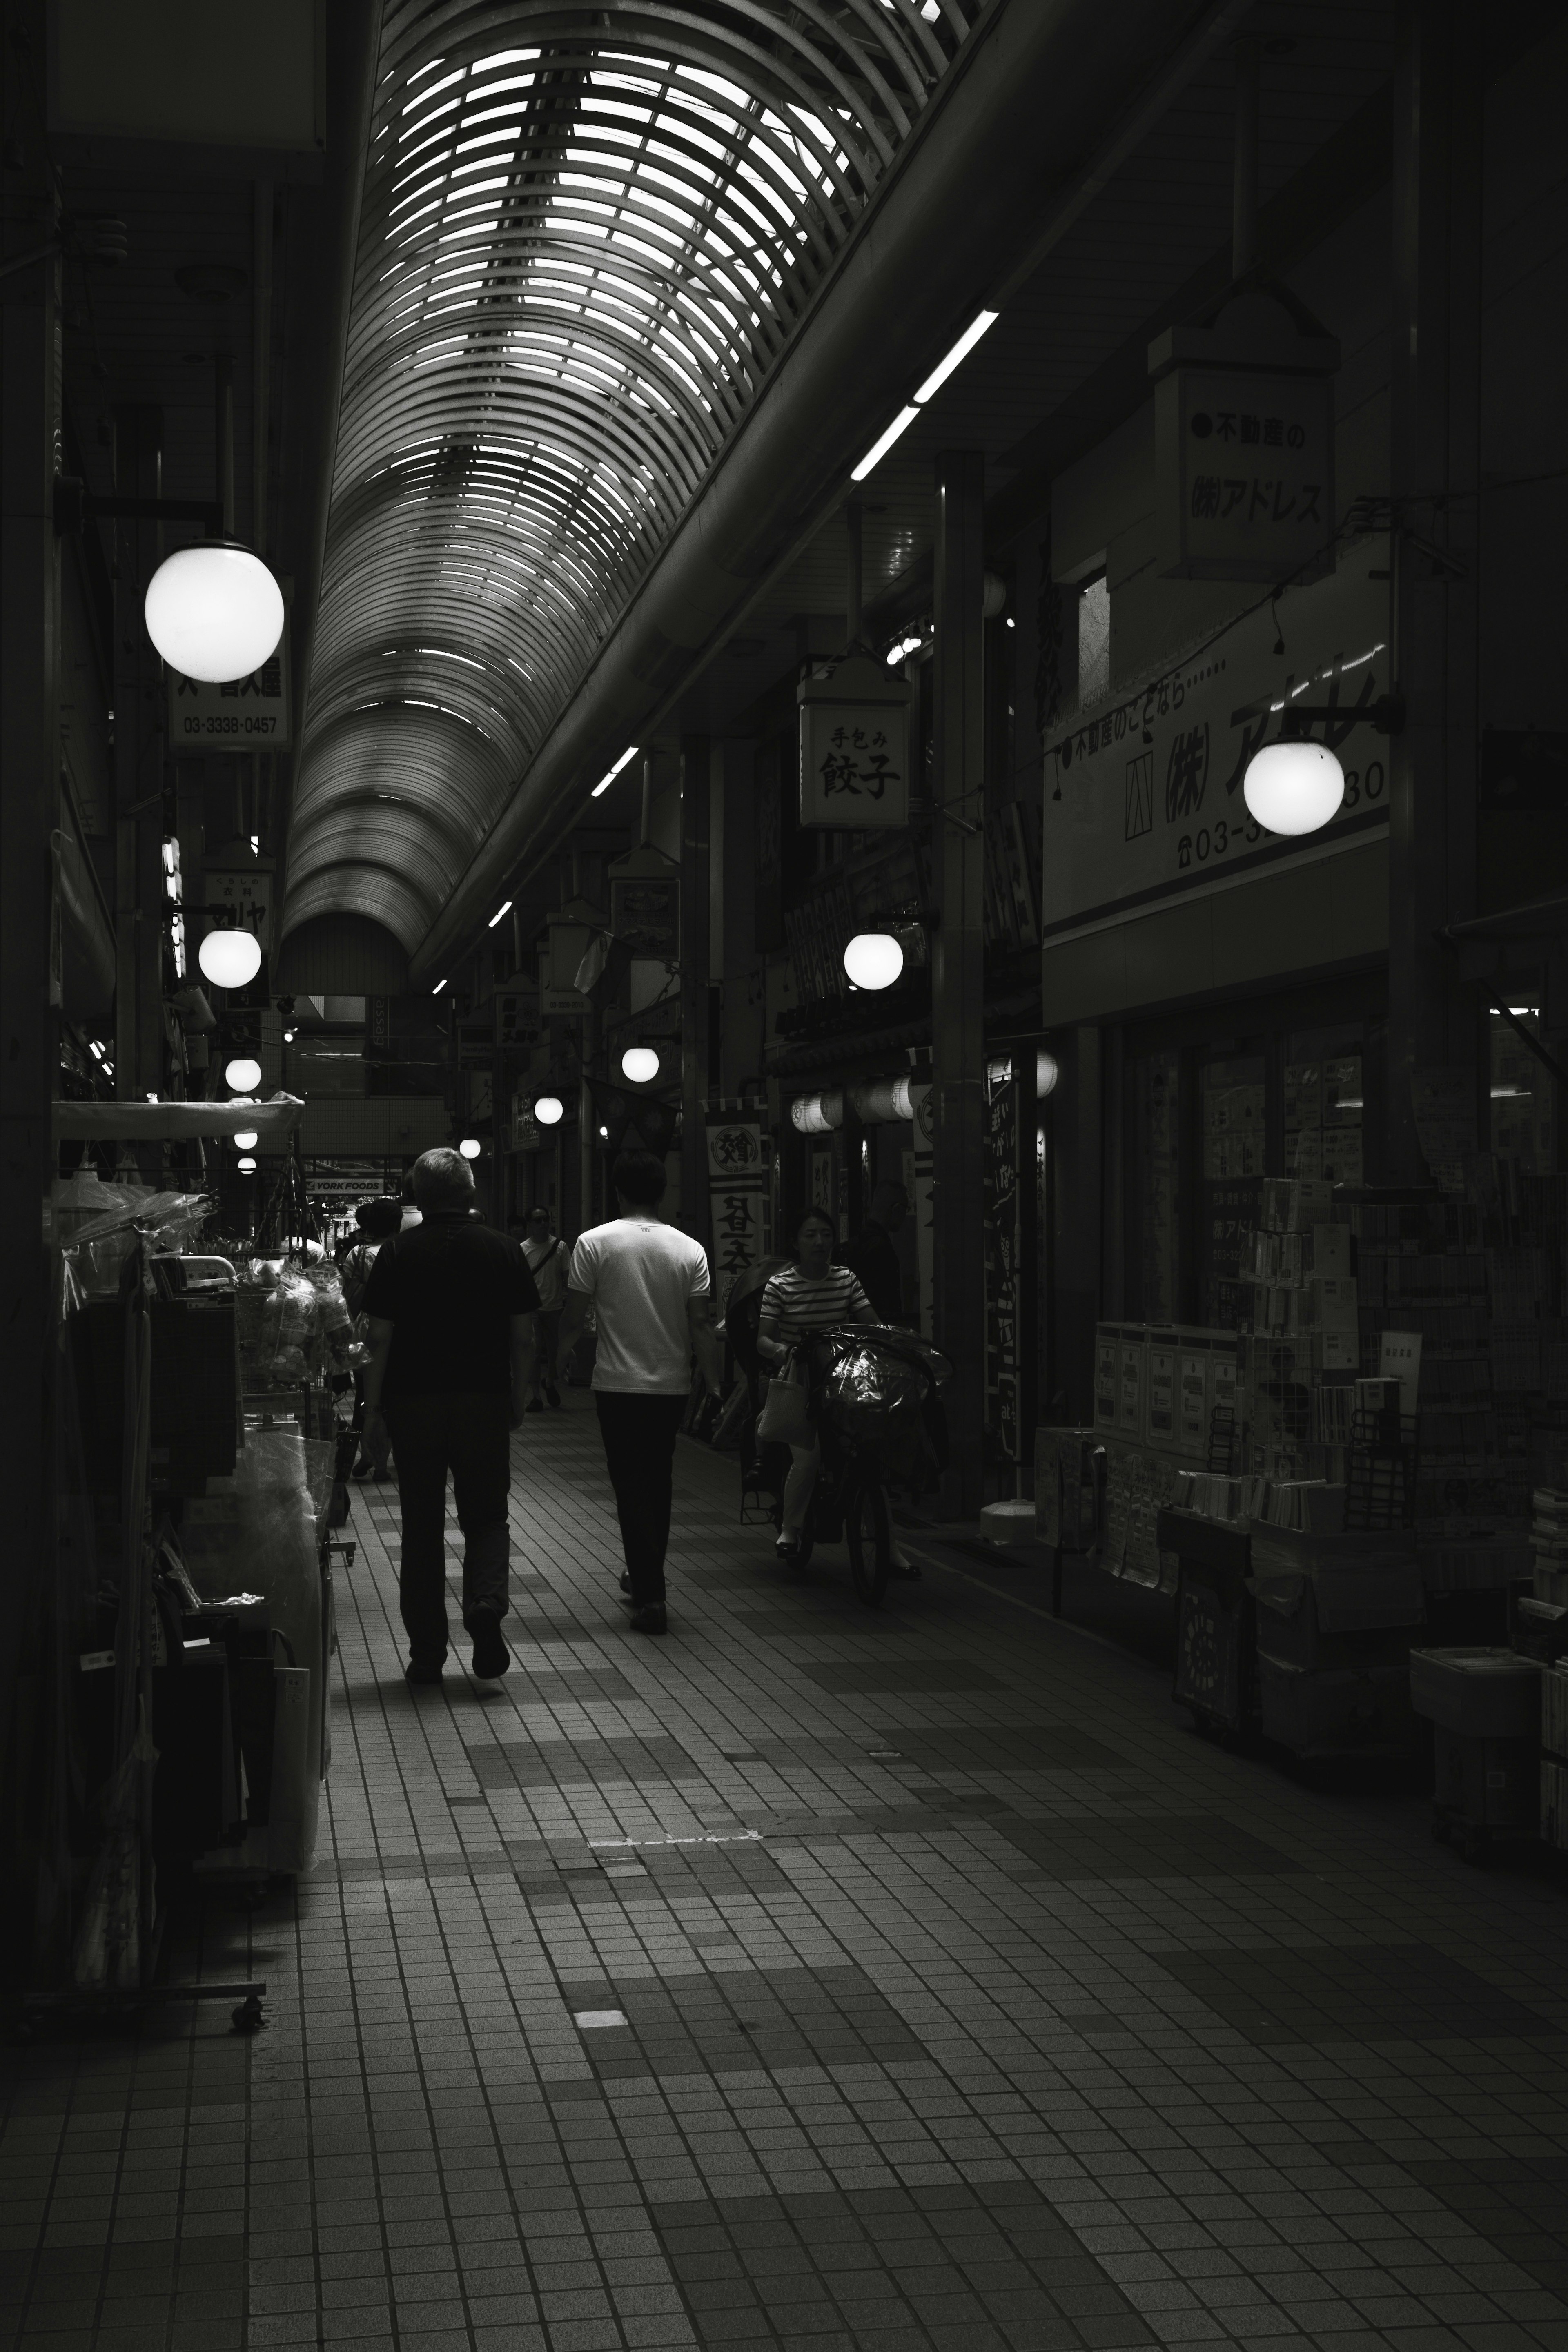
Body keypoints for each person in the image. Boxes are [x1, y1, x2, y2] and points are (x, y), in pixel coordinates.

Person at [360, 1147, 539, 1686]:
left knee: (421, 1528)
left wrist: (371, 1413)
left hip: (413, 1405)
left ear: (418, 1196)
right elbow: (525, 1335)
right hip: (482, 1401)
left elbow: (379, 1336)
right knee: (486, 1516)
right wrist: (519, 1395)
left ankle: (427, 1655)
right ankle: (485, 1604)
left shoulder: (395, 1253)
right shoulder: (506, 1251)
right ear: (471, 1193)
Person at [555, 1147, 723, 1635]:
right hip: (671, 1385)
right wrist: (713, 1380)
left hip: (616, 1384)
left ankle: (651, 1594)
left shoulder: (594, 1242)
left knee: (630, 1484)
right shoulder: (690, 1249)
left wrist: (557, 1358)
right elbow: (701, 1323)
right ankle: (646, 1572)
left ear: (619, 1191)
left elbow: (573, 1314)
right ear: (663, 1191)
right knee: (659, 1480)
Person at [758, 1208, 920, 1576]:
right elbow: (763, 1340)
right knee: (808, 1458)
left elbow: (872, 1325)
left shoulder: (846, 1279)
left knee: (869, 1456)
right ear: (796, 1243)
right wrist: (781, 1349)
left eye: (826, 1235)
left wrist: (892, 1343)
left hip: (844, 1377)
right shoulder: (780, 1286)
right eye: (811, 1235)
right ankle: (790, 1529)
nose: (820, 1242)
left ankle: (890, 1551)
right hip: (801, 1379)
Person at [341, 1198, 402, 1478]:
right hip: (400, 1329)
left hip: (365, 1329)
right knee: (394, 1392)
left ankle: (368, 1453)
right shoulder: (404, 1251)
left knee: (366, 1393)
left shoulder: (359, 1253)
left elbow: (345, 1294)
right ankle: (382, 1459)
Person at [518, 1206, 571, 1411]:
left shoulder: (560, 1247)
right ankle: (536, 1397)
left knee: (556, 1352)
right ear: (530, 1224)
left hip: (555, 1307)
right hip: (533, 1310)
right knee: (533, 1352)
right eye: (538, 1220)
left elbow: (568, 1277)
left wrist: (568, 1301)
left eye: (545, 1220)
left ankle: (549, 1381)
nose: (543, 1224)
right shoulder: (524, 1249)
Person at [840, 1180, 909, 1323]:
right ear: (897, 1209)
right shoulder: (882, 1249)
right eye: (906, 1209)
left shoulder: (851, 1245)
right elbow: (888, 1306)